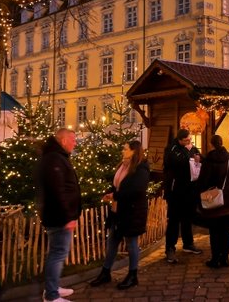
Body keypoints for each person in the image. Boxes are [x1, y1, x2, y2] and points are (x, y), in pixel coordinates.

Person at [90, 139, 150, 290]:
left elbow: (136, 190)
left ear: (134, 151)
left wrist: (116, 196)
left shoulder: (141, 168)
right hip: (118, 211)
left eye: (125, 149)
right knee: (112, 241)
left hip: (132, 211)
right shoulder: (123, 165)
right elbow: (117, 185)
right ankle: (105, 272)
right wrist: (110, 192)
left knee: (131, 243)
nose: (123, 151)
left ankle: (132, 275)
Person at [38, 129, 81, 302]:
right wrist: (68, 216)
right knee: (57, 254)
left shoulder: (55, 157)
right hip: (59, 217)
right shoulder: (55, 159)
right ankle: (51, 295)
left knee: (56, 253)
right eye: (73, 139)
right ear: (63, 140)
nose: (75, 143)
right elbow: (58, 191)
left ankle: (53, 287)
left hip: (57, 215)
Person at [197, 135, 229, 268]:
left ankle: (215, 259)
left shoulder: (209, 160)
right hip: (228, 198)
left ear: (211, 144)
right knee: (226, 231)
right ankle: (225, 258)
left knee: (215, 232)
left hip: (214, 199)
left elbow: (204, 180)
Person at [163, 128, 203, 263]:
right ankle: (170, 248)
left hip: (189, 190)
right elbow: (175, 163)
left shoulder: (191, 148)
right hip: (175, 191)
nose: (189, 142)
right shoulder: (172, 149)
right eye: (186, 140)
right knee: (174, 221)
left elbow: (199, 157)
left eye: (189, 140)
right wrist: (190, 155)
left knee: (187, 218)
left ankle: (188, 243)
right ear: (179, 139)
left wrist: (198, 157)